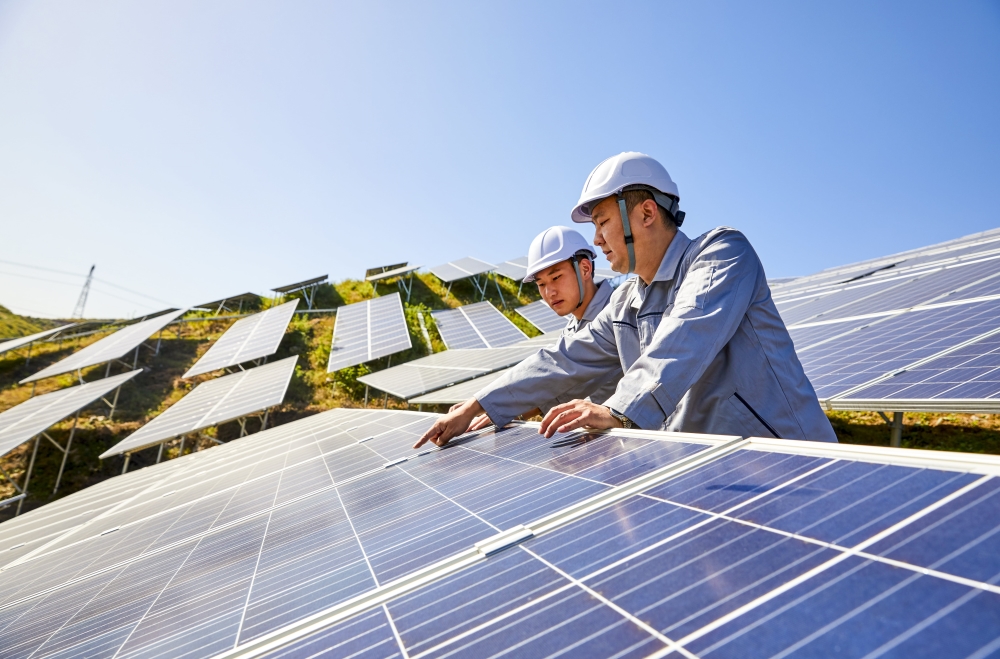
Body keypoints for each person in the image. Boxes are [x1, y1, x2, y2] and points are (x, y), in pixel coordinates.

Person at [415, 151, 837, 448]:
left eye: (602, 223)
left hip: (797, 465)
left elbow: (687, 331)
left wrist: (618, 410)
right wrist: (478, 404)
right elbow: (562, 358)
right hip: (719, 473)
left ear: (647, 214)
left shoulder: (722, 253)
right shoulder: (627, 304)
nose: (596, 241)